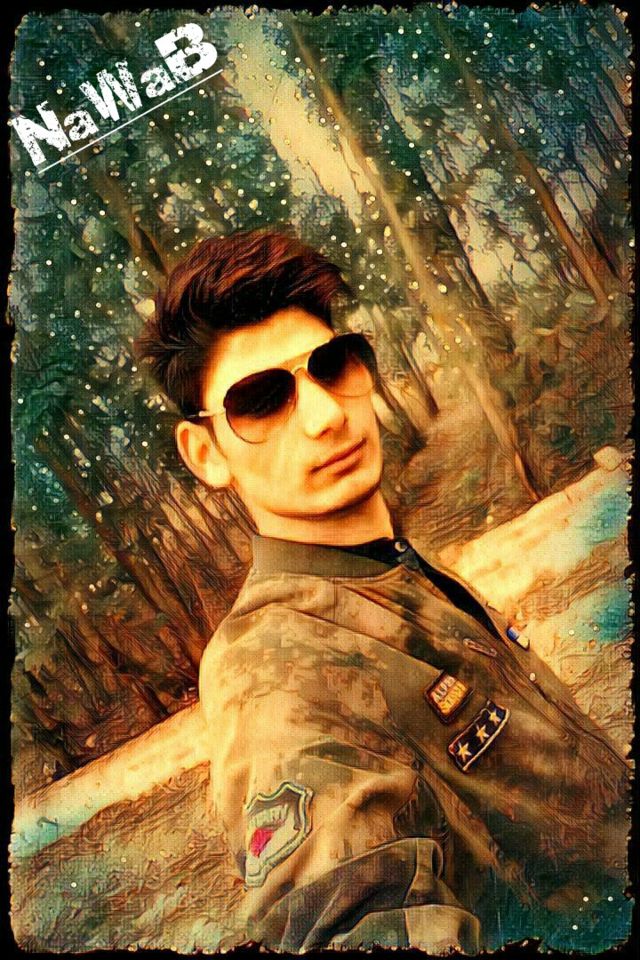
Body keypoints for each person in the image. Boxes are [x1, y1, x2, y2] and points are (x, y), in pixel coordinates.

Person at [135, 230, 629, 953]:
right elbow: (339, 917)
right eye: (262, 399)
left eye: (331, 365)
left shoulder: (392, 567)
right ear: (206, 453)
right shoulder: (272, 673)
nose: (325, 415)